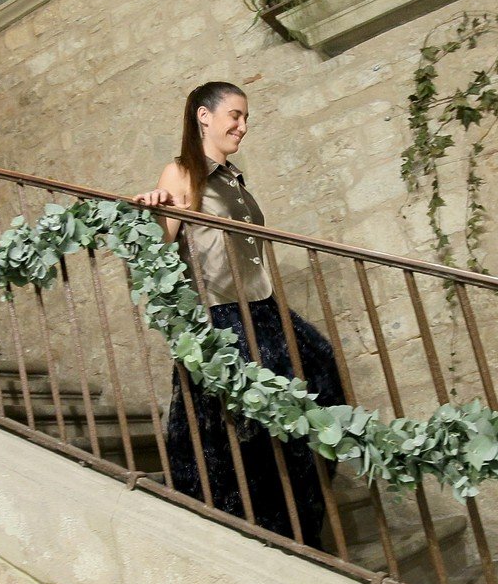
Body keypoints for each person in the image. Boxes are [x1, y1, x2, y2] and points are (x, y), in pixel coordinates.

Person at [132, 81, 345, 547]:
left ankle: (296, 521)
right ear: (203, 116)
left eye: (246, 118)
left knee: (319, 365)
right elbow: (162, 241)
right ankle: (261, 527)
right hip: (223, 313)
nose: (242, 126)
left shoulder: (232, 177)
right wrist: (153, 210)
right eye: (235, 115)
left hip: (262, 305)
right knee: (251, 419)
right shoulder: (183, 171)